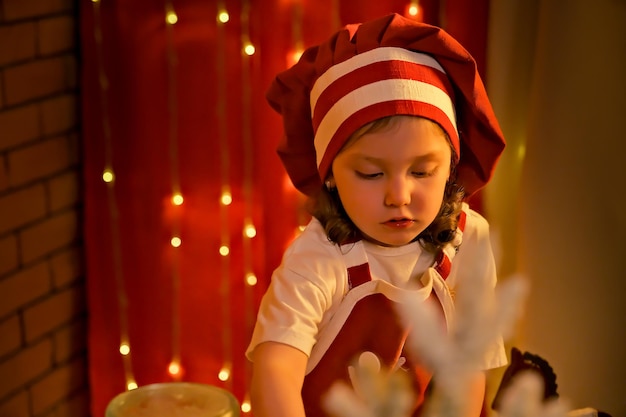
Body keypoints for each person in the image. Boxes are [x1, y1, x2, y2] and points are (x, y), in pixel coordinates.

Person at [246, 13, 507, 417]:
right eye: (370, 173)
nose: (398, 196)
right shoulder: (317, 258)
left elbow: (468, 367)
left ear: (452, 166)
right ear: (329, 175)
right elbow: (276, 366)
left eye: (423, 171)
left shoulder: (468, 239)